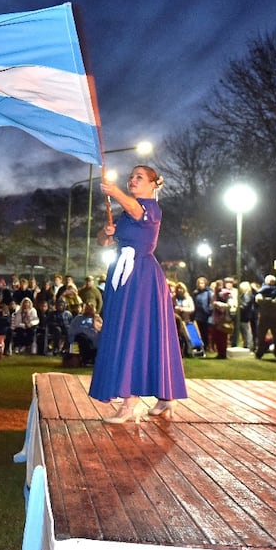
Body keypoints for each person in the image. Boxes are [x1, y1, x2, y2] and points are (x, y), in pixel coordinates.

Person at [88, 166, 188, 422]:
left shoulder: (150, 208)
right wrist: (107, 232)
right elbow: (103, 240)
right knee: (133, 332)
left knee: (136, 333)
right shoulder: (125, 213)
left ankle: (129, 405)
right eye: (130, 176)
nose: (132, 180)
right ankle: (166, 398)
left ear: (153, 184)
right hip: (122, 276)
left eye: (138, 177)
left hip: (141, 277)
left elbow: (136, 209)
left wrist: (115, 192)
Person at [254, 274, 276, 360]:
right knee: (261, 336)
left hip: (272, 317)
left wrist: (266, 301)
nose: (271, 283)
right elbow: (259, 300)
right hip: (267, 316)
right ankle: (260, 352)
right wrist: (271, 301)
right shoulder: (262, 291)